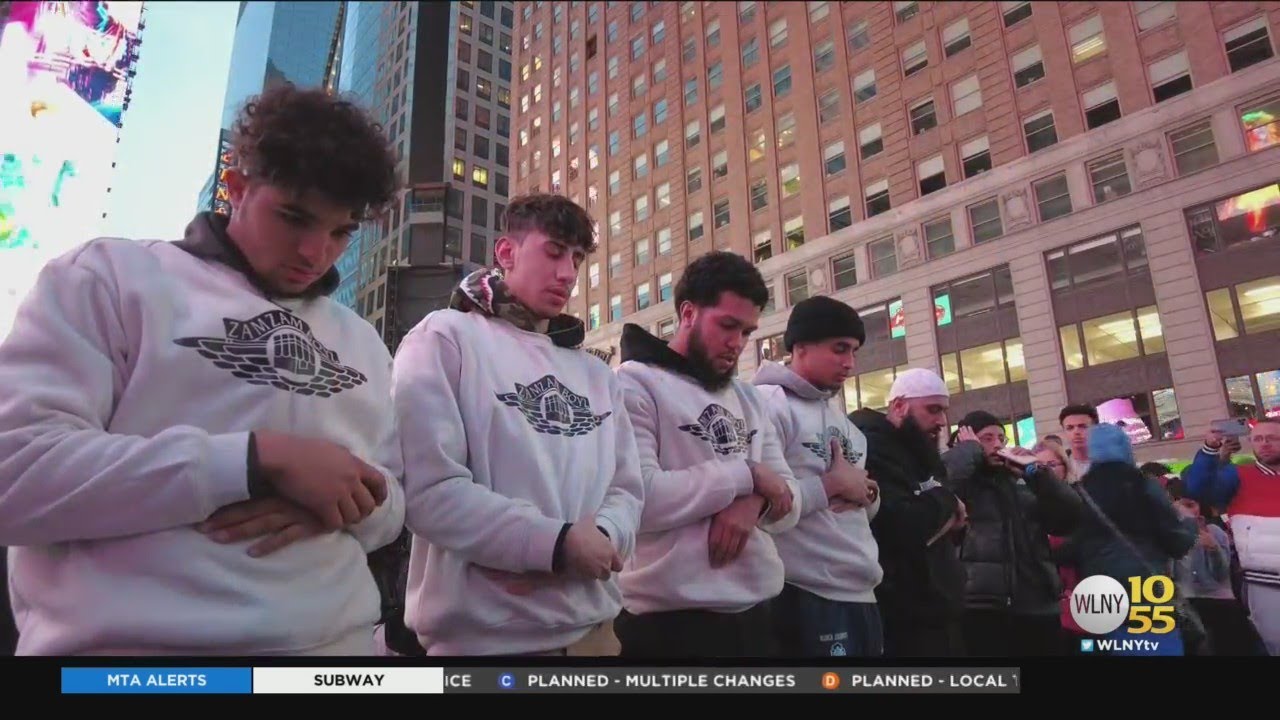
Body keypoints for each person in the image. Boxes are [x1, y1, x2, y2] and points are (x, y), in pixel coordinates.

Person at [0, 85, 407, 655]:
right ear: (235, 187)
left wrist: (345, 501)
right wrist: (256, 460)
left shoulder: (363, 341)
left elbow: (392, 505)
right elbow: (15, 475)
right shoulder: (110, 277)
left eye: (341, 231)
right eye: (293, 217)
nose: (316, 253)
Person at [392, 194, 644, 656]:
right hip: (484, 646)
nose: (568, 273)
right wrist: (558, 544)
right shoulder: (444, 337)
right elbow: (428, 491)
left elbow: (628, 488)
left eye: (577, 258)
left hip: (597, 638)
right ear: (507, 253)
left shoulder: (596, 374)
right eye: (553, 252)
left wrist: (605, 536)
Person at [613, 251, 801, 658]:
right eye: (728, 326)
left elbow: (792, 500)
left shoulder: (749, 398)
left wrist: (755, 502)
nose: (737, 344)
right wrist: (746, 475)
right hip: (666, 626)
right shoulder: (633, 385)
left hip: (757, 618)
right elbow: (638, 499)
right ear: (688, 313)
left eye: (748, 332)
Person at [751, 297, 883, 657]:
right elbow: (763, 506)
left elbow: (863, 505)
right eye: (839, 349)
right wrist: (834, 486)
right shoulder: (766, 403)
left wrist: (866, 493)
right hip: (806, 594)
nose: (849, 363)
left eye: (854, 351)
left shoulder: (845, 424)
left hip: (863, 592)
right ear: (800, 346)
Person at [941, 412, 1083, 656]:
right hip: (981, 606)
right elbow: (943, 481)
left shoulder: (1021, 483)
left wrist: (1037, 473)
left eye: (1001, 438)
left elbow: (1069, 517)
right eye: (986, 438)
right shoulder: (964, 483)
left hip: (1037, 603)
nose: (997, 444)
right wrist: (969, 453)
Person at [850, 368, 967, 657]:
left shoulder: (920, 451)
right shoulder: (873, 448)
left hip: (939, 609)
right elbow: (905, 527)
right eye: (932, 409)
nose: (941, 421)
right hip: (904, 613)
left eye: (943, 411)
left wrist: (940, 505)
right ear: (900, 406)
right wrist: (948, 502)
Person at [1060, 424, 1197, 656]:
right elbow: (1177, 542)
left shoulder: (1079, 492)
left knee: (1104, 648)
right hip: (1146, 589)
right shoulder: (1144, 486)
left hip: (1097, 591)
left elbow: (1070, 547)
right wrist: (1190, 524)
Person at [1184, 419, 1280, 655]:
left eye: (1272, 438)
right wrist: (1210, 448)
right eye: (1258, 438)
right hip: (1264, 582)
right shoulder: (1237, 477)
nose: (1264, 443)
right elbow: (1196, 488)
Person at [1059, 404, 1099, 476]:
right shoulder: (1060, 465)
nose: (1076, 432)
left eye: (1083, 427)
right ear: (1063, 432)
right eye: (1070, 428)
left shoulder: (1111, 462)